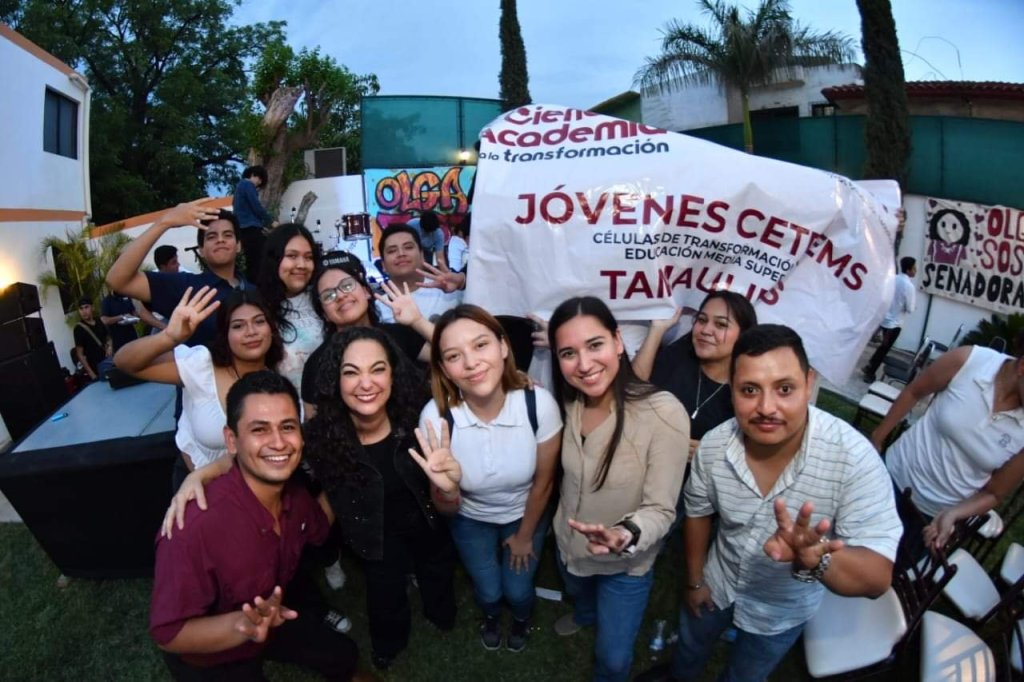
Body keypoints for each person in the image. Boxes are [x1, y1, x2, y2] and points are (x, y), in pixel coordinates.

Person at [640, 324, 901, 682]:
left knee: (746, 675)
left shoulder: (854, 460)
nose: (766, 408)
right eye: (750, 390)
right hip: (718, 582)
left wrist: (816, 560)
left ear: (809, 384)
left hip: (781, 612)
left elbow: (877, 578)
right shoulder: (714, 447)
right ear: (731, 390)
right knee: (689, 650)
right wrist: (696, 581)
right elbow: (698, 514)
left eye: (784, 389)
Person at [149, 370, 368, 681]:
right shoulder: (193, 528)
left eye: (287, 427)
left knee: (343, 654)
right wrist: (242, 626)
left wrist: (341, 476)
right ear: (231, 440)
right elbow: (169, 633)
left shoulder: (294, 496)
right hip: (213, 656)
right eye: (259, 429)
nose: (278, 442)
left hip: (272, 612)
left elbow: (318, 524)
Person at [546, 296, 689, 682]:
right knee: (579, 593)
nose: (584, 364)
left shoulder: (663, 413)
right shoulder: (568, 401)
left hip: (625, 565)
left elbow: (661, 509)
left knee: (612, 661)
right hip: (568, 547)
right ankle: (584, 613)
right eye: (568, 353)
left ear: (618, 342)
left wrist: (626, 534)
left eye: (595, 345)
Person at [303, 326, 458, 669]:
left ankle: (441, 614)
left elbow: (467, 381)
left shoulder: (420, 418)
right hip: (373, 536)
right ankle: (389, 644)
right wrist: (205, 471)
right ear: (336, 381)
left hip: (426, 520)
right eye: (351, 372)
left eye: (377, 369)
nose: (366, 383)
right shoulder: (322, 437)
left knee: (437, 571)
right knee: (385, 594)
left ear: (393, 374)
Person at [420, 304, 563, 652]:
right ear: (444, 368)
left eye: (481, 345)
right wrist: (448, 490)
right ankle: (491, 616)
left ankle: (521, 618)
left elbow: (544, 482)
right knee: (488, 589)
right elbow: (446, 508)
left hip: (525, 512)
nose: (471, 363)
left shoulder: (539, 404)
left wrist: (525, 535)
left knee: (518, 589)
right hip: (469, 518)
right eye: (454, 355)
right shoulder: (436, 418)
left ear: (503, 347)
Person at [113, 286, 283, 491]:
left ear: (271, 327)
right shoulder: (201, 365)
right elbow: (124, 362)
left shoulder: (281, 374)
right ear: (225, 333)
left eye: (259, 321)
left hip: (259, 495)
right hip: (197, 491)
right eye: (238, 326)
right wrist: (169, 337)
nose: (251, 332)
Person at [874, 331, 1024, 550]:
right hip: (890, 478)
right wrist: (877, 439)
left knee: (885, 570)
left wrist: (953, 514)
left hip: (930, 519)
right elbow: (914, 392)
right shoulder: (970, 361)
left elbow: (994, 492)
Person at [106, 201, 252, 347]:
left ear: (238, 245)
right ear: (201, 250)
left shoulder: (254, 290)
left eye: (227, 235)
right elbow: (118, 280)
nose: (220, 240)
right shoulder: (185, 286)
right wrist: (164, 222)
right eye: (211, 236)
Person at [633, 290, 757, 461]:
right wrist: (657, 330)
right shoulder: (677, 357)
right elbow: (631, 390)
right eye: (702, 320)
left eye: (721, 325)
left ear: (743, 335)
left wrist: (713, 455)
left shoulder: (749, 391)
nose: (706, 330)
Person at [301, 261, 434, 417]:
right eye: (329, 295)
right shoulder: (317, 362)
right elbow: (313, 422)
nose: (341, 296)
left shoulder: (399, 334)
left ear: (366, 292)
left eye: (347, 285)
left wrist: (418, 321)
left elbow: (450, 352)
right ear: (324, 314)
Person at [256, 224, 322, 394]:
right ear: (274, 259)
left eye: (308, 257)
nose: (301, 265)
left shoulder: (324, 299)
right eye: (292, 256)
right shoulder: (257, 308)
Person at [376, 225, 463, 324]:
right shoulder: (378, 308)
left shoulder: (449, 290)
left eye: (408, 247)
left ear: (422, 256)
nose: (401, 253)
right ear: (383, 265)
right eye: (392, 251)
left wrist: (462, 283)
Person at [862, 256, 917, 382]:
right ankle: (870, 372)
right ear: (908, 270)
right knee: (884, 349)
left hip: (884, 318)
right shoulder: (909, 286)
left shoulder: (892, 279)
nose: (915, 270)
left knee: (881, 347)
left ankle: (869, 366)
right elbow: (910, 308)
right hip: (895, 323)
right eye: (914, 268)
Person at [233, 165, 277, 279]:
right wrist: (271, 222)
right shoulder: (248, 185)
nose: (259, 183)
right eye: (259, 179)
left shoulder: (239, 187)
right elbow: (256, 206)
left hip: (243, 228)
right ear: (253, 175)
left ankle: (253, 282)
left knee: (252, 259)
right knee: (260, 257)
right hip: (251, 228)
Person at [73, 297, 112, 381]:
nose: (84, 311)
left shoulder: (99, 321)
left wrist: (109, 347)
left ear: (92, 307)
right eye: (81, 309)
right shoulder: (78, 329)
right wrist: (92, 374)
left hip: (108, 362)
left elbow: (108, 337)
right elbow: (80, 354)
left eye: (86, 307)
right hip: (95, 368)